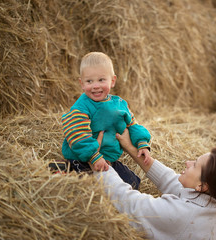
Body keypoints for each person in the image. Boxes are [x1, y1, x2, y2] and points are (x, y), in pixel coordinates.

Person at [94, 129, 216, 240]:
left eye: (194, 165)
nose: (188, 162)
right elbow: (168, 179)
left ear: (202, 186)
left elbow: (129, 204)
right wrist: (131, 148)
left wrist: (96, 160)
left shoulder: (183, 216)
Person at [61, 52, 151, 189]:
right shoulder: (81, 108)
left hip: (109, 159)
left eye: (101, 80)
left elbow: (133, 125)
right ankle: (64, 169)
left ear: (112, 81)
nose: (95, 86)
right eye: (89, 81)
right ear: (81, 83)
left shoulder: (119, 104)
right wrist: (93, 156)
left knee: (133, 183)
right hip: (84, 158)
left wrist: (142, 143)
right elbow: (76, 135)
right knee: (88, 186)